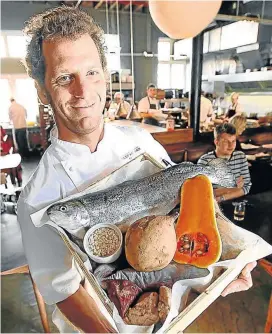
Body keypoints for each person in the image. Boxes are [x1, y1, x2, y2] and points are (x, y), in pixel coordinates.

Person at [18, 6, 256, 333]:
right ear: (42, 90)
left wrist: (230, 258)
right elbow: (64, 290)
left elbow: (188, 199)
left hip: (172, 310)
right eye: (64, 77)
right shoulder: (36, 199)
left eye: (91, 72)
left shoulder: (138, 139)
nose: (83, 91)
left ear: (104, 74)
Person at [198, 123, 252, 203]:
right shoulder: (204, 161)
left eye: (233, 141)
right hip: (213, 206)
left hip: (236, 203)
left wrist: (222, 196)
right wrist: (236, 188)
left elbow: (246, 188)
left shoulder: (241, 156)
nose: (231, 145)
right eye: (226, 141)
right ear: (216, 142)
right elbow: (202, 192)